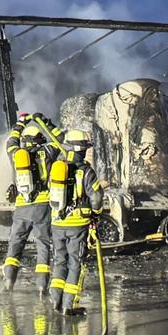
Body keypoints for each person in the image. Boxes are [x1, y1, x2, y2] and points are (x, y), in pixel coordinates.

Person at [47, 129, 104, 317]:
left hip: (57, 224)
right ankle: (69, 305)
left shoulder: (57, 167)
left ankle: (55, 301)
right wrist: (96, 214)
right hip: (77, 225)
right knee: (75, 263)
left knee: (59, 261)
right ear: (82, 149)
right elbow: (96, 197)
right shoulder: (86, 171)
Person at [2, 111, 58, 292]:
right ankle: (42, 287)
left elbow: (11, 141)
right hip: (43, 206)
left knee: (15, 244)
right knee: (43, 245)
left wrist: (21, 123)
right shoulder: (48, 151)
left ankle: (9, 283)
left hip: (22, 206)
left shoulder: (16, 154)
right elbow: (61, 139)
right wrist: (44, 121)